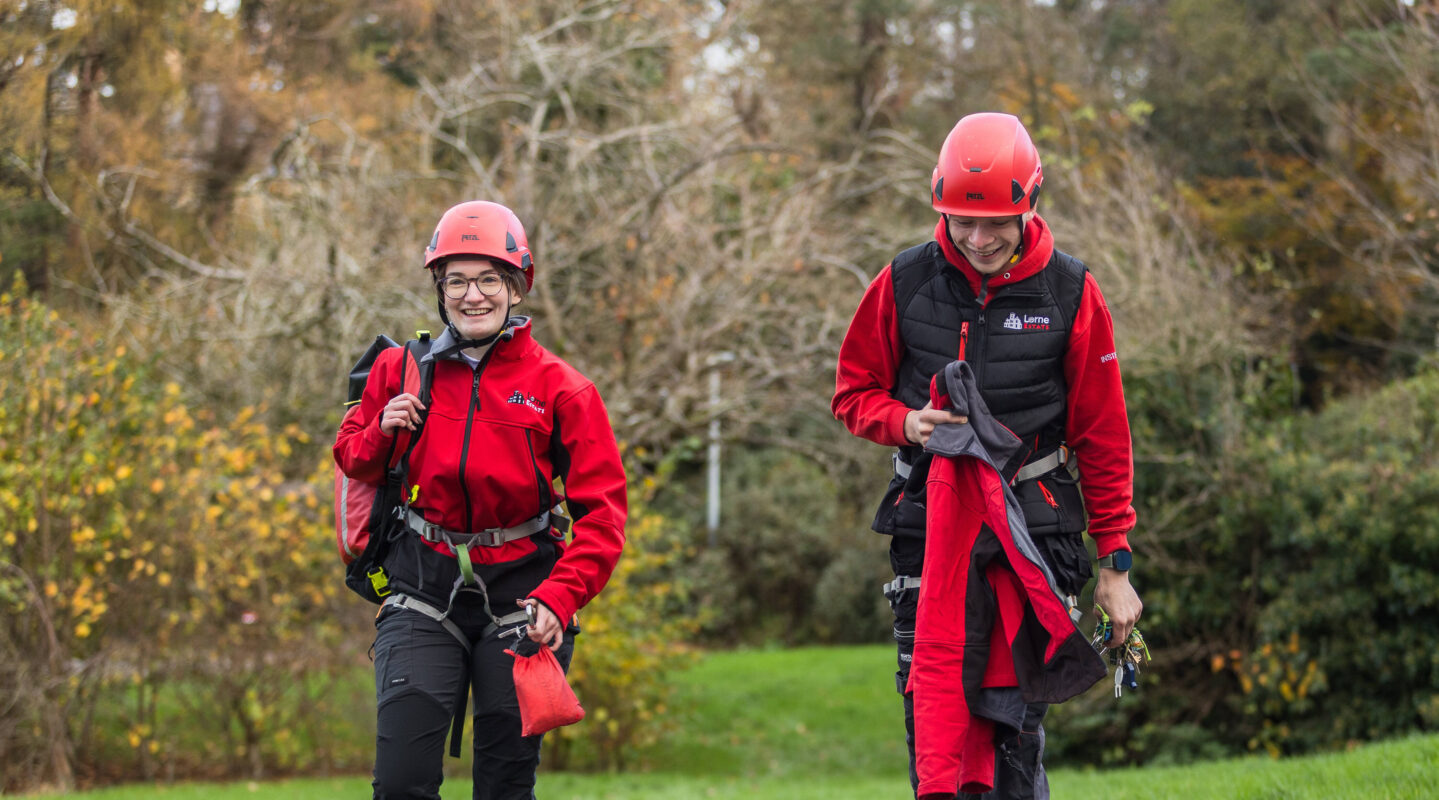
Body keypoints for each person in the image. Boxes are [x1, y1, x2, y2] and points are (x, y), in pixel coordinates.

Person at [832, 112, 1142, 799]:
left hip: (1036, 533)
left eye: (996, 222)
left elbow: (1103, 437)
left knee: (1015, 737)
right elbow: (852, 393)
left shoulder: (1070, 292)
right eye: (961, 222)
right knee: (931, 719)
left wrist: (1114, 564)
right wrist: (904, 422)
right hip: (928, 529)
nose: (978, 240)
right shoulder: (903, 282)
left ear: (1030, 203)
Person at [333, 200, 627, 800]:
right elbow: (352, 459)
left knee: (504, 787)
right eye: (457, 280)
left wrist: (560, 597)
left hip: (524, 602)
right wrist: (381, 429)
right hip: (419, 590)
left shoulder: (562, 389)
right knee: (401, 785)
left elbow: (604, 518)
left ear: (517, 287)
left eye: (490, 279)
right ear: (440, 289)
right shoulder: (400, 368)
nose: (474, 295)